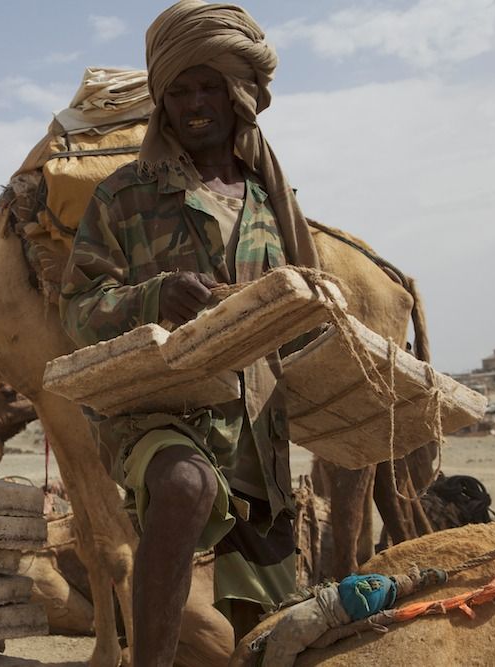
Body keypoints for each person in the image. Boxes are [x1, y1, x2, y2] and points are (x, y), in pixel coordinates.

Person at [60, 1, 320, 662]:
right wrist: (154, 295)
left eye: (209, 87)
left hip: (258, 432)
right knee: (183, 483)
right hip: (155, 410)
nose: (195, 104)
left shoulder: (267, 202)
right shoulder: (123, 196)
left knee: (260, 636)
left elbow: (299, 315)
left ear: (236, 95)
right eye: (179, 91)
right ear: (162, 101)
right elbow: (78, 308)